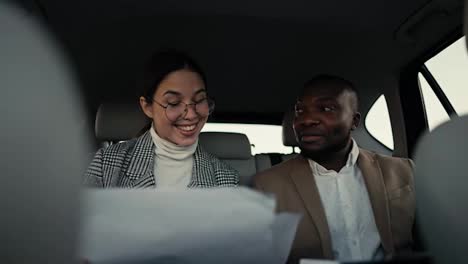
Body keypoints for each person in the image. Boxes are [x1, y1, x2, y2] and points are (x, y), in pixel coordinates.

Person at [253, 75, 415, 263]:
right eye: (300, 110)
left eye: (326, 108)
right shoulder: (265, 185)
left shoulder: (403, 170)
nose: (306, 120)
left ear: (354, 121)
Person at [84, 50, 239, 188]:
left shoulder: (226, 179)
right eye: (174, 103)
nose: (191, 114)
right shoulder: (105, 166)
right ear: (147, 107)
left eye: (199, 100)